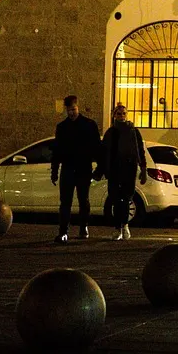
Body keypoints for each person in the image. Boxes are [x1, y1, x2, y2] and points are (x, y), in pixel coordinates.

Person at [51, 94, 103, 243]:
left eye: (73, 109)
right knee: (65, 202)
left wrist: (99, 169)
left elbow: (96, 148)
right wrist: (54, 171)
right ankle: (63, 231)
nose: (71, 113)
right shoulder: (62, 127)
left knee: (83, 200)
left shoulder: (88, 125)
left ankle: (83, 226)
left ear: (77, 107)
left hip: (82, 167)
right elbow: (57, 151)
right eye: (69, 110)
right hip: (69, 167)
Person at [102, 104, 148, 241]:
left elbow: (140, 150)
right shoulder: (111, 132)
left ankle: (125, 225)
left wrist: (143, 168)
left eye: (124, 114)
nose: (122, 116)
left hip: (129, 168)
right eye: (119, 114)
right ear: (114, 115)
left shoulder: (133, 131)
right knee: (116, 198)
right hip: (115, 169)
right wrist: (104, 169)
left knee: (126, 198)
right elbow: (105, 152)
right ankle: (118, 227)